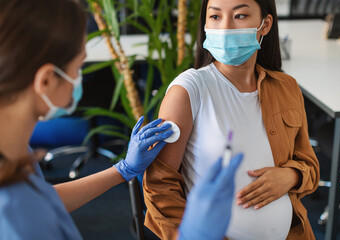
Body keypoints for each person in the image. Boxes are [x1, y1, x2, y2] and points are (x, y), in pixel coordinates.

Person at [0, 0, 244, 239]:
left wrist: (123, 170)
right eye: (78, 67)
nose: (79, 78)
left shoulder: (15, 153)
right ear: (46, 81)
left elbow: (43, 200)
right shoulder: (12, 213)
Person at [143, 0, 320, 239]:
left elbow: (310, 166)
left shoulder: (286, 87)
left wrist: (292, 176)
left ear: (265, 25)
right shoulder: (188, 91)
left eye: (239, 16)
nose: (225, 28)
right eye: (215, 17)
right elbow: (159, 186)